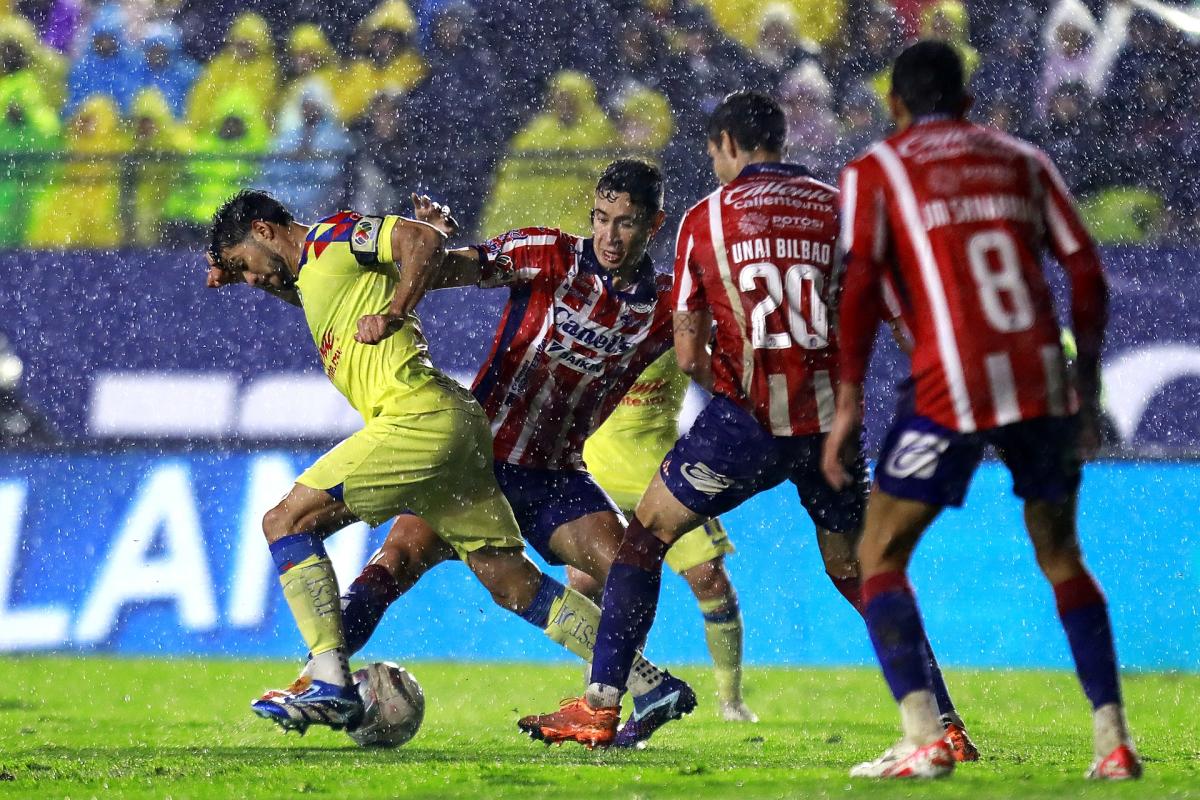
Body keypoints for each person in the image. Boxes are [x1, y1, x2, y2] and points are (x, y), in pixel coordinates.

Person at [517, 91, 973, 756]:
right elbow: (901, 317)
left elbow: (688, 350)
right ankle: (946, 725)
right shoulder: (840, 207)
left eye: (712, 151)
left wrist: (726, 381)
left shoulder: (706, 218)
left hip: (747, 424)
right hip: (827, 432)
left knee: (644, 541)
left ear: (727, 144)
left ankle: (600, 707)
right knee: (861, 572)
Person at [204, 189, 678, 735]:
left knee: (286, 521)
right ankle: (646, 681)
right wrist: (231, 270)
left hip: (419, 419)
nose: (251, 279)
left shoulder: (333, 235)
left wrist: (397, 307)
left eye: (244, 266)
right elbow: (320, 283)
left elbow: (419, 241)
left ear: (264, 230)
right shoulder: (316, 278)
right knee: (510, 582)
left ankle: (330, 678)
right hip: (462, 431)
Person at [820, 41, 1140, 780]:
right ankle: (1113, 740)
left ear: (895, 104)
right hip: (1040, 379)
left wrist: (846, 404)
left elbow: (862, 290)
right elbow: (1085, 268)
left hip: (951, 384)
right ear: (966, 101)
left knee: (879, 556)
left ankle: (926, 738)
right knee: (1061, 556)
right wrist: (1084, 382)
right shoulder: (1023, 158)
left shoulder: (878, 170)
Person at [327, 159, 702, 747]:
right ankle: (317, 678)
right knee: (395, 561)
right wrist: (428, 244)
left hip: (554, 474)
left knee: (629, 564)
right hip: (475, 460)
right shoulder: (547, 254)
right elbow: (453, 269)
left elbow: (724, 341)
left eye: (624, 224)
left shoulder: (669, 306)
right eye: (600, 219)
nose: (608, 235)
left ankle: (625, 694)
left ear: (653, 225)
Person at [582, 351, 755, 722]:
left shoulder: (679, 320)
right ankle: (602, 698)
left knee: (710, 578)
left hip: (657, 468)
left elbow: (716, 370)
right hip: (595, 466)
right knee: (591, 586)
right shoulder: (598, 316)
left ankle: (731, 701)